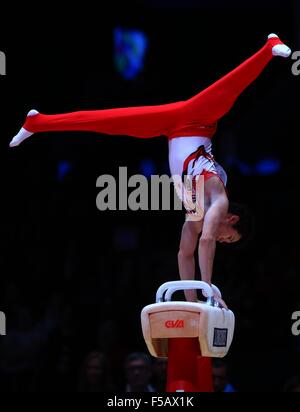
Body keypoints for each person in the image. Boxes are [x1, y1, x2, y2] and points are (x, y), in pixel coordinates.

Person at [9, 34, 291, 305]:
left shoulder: (196, 207)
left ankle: (37, 122)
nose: (222, 239)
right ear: (230, 218)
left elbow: (185, 253)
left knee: (106, 122)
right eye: (228, 236)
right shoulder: (218, 199)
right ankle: (269, 48)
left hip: (171, 128)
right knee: (230, 88)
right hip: (198, 120)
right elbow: (205, 242)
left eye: (226, 242)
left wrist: (192, 303)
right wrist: (208, 290)